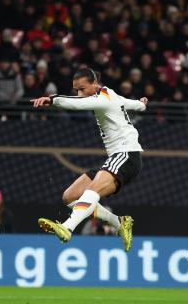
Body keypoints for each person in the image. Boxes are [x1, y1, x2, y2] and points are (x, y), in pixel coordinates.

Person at [30, 67, 147, 251]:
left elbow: (76, 104)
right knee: (70, 197)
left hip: (127, 155)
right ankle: (118, 222)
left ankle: (67, 227)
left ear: (95, 84)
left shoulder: (102, 98)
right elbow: (129, 103)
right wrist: (141, 104)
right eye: (76, 89)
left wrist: (52, 99)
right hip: (117, 157)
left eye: (82, 89)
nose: (79, 94)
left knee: (91, 191)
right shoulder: (109, 94)